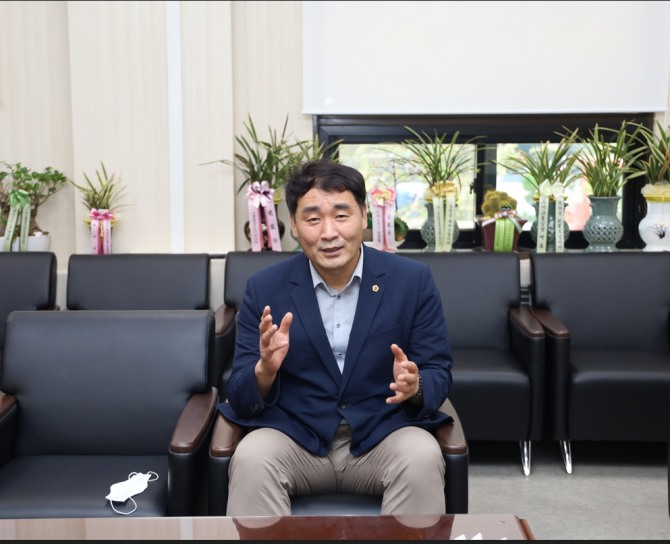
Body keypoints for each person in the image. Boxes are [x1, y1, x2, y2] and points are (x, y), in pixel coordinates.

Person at [218, 159, 454, 516]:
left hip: (382, 434)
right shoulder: (264, 288)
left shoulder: (412, 281)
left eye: (341, 216)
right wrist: (264, 370)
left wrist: (416, 385)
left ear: (363, 215)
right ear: (294, 225)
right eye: (313, 219)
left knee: (422, 456)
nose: (329, 233)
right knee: (251, 458)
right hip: (295, 437)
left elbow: (439, 371)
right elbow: (238, 393)